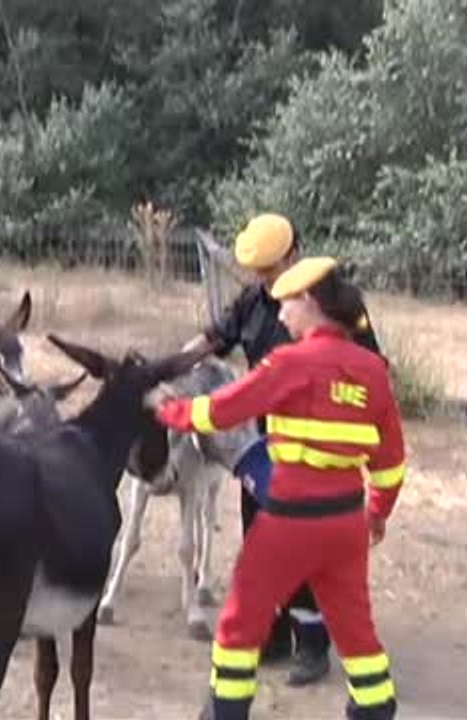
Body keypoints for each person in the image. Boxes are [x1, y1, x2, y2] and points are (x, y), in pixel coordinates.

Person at [153, 256, 406, 720]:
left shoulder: (290, 363)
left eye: (286, 305)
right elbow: (390, 462)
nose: (281, 315)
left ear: (309, 302)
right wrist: (377, 513)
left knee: (237, 627)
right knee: (357, 635)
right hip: (346, 522)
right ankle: (374, 709)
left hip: (288, 521)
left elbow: (224, 410)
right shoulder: (373, 371)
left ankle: (224, 713)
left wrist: (171, 411)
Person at [194, 213, 383, 686]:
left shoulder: (336, 304)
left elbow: (371, 366)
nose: (261, 280)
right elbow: (212, 339)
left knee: (307, 553)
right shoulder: (254, 301)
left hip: (317, 453)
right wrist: (164, 366)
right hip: (262, 446)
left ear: (293, 255)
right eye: (256, 272)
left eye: (268, 269)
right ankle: (271, 636)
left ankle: (313, 647)